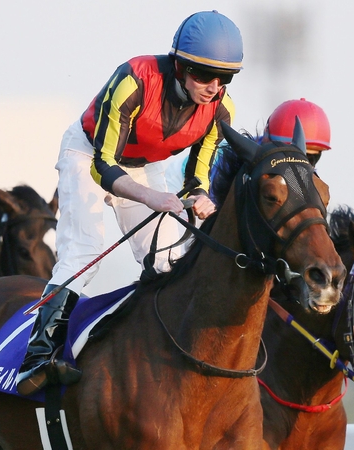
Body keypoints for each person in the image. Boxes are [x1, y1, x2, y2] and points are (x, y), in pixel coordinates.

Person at [16, 10, 243, 396]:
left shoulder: (221, 112)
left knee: (167, 260)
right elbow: (103, 165)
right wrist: (153, 197)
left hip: (143, 165)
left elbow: (195, 178)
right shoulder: (133, 79)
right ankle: (38, 357)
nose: (214, 87)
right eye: (204, 75)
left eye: (224, 78)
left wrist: (201, 198)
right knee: (85, 253)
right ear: (180, 66)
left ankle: (158, 350)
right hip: (87, 154)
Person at [167, 97, 332, 209]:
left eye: (312, 157)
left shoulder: (306, 174)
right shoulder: (234, 156)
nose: (304, 163)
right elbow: (216, 204)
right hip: (183, 185)